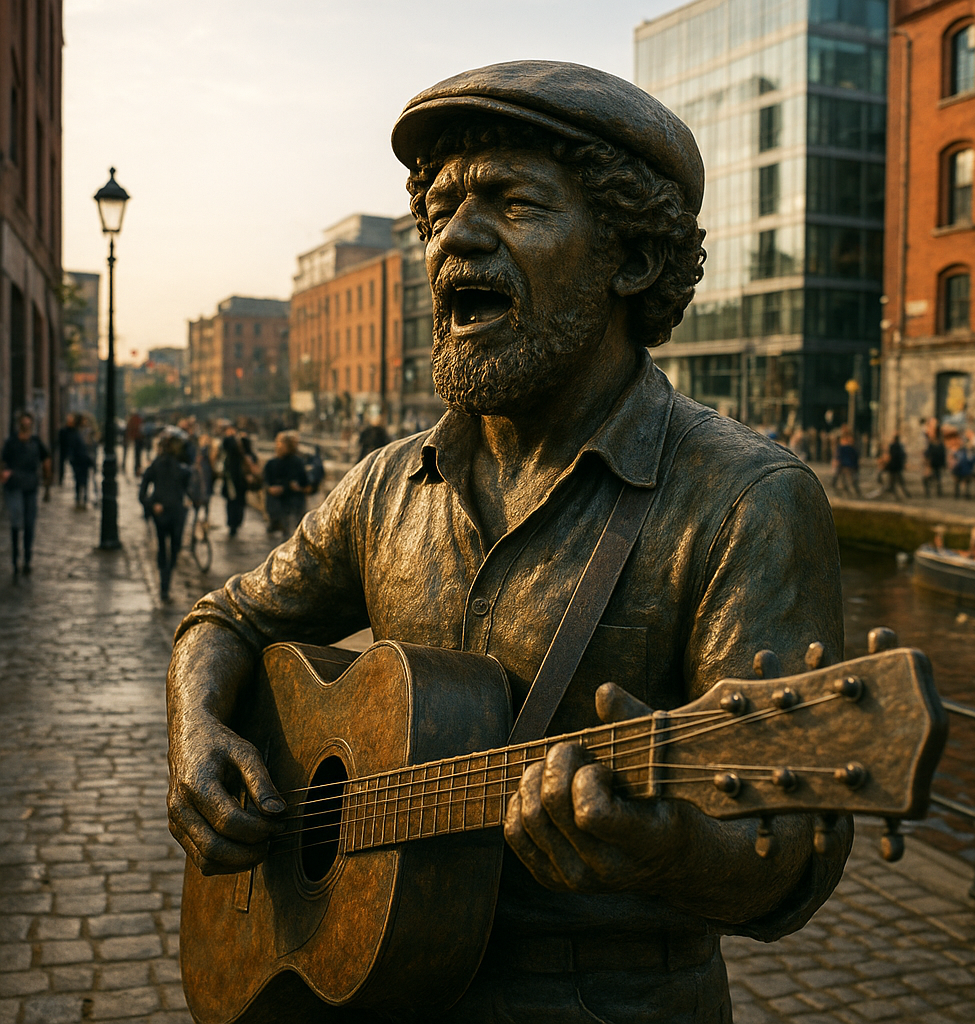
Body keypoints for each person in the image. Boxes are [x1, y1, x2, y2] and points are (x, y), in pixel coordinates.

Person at [165, 62, 849, 1023]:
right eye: (439, 211)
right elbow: (221, 620)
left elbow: (795, 851)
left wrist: (669, 849)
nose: (456, 239)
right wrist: (197, 731)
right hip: (376, 991)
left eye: (513, 202)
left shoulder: (748, 500)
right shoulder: (386, 486)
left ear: (634, 257)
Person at [139, 430, 191, 602]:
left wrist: (151, 504)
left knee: (172, 550)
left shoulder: (179, 467)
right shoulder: (159, 466)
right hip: (166, 514)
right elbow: (142, 492)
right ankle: (164, 588)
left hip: (173, 513)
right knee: (166, 550)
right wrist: (152, 505)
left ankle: (165, 585)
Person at [1, 412, 51, 578]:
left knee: (29, 523)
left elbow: (46, 460)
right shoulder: (11, 442)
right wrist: (5, 473)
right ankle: (16, 557)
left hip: (30, 487)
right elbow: (3, 462)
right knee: (16, 519)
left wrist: (47, 485)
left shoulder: (36, 442)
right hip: (14, 486)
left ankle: (27, 558)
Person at [262, 430, 308, 536]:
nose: (278, 446)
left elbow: (302, 481)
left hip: (292, 504)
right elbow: (266, 480)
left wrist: (285, 487)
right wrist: (270, 488)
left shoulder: (297, 462)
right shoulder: (271, 463)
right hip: (276, 506)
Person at [220, 425, 258, 538]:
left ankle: (235, 523)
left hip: (239, 480)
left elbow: (251, 454)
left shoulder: (242, 443)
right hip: (232, 480)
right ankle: (233, 524)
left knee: (238, 503)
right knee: (233, 503)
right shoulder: (230, 444)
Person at [67, 414, 94, 511]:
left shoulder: (87, 432)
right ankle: (78, 499)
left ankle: (85, 499)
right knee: (78, 480)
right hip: (78, 460)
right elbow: (72, 446)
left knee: (85, 480)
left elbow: (91, 446)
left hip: (85, 460)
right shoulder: (75, 433)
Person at [882, 434, 910, 499]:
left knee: (893, 482)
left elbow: (889, 456)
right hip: (898, 467)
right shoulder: (901, 447)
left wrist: (885, 464)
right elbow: (904, 456)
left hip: (893, 467)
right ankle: (906, 494)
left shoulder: (892, 446)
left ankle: (896, 495)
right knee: (901, 482)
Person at [835, 429, 861, 497]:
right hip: (847, 466)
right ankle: (851, 493)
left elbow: (839, 456)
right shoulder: (850, 448)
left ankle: (851, 493)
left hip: (846, 466)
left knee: (848, 481)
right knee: (848, 481)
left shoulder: (845, 448)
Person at [57, 413, 78, 486]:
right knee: (62, 467)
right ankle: (61, 480)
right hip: (64, 450)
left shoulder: (75, 431)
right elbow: (60, 440)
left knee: (74, 467)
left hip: (72, 451)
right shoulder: (64, 431)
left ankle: (75, 482)